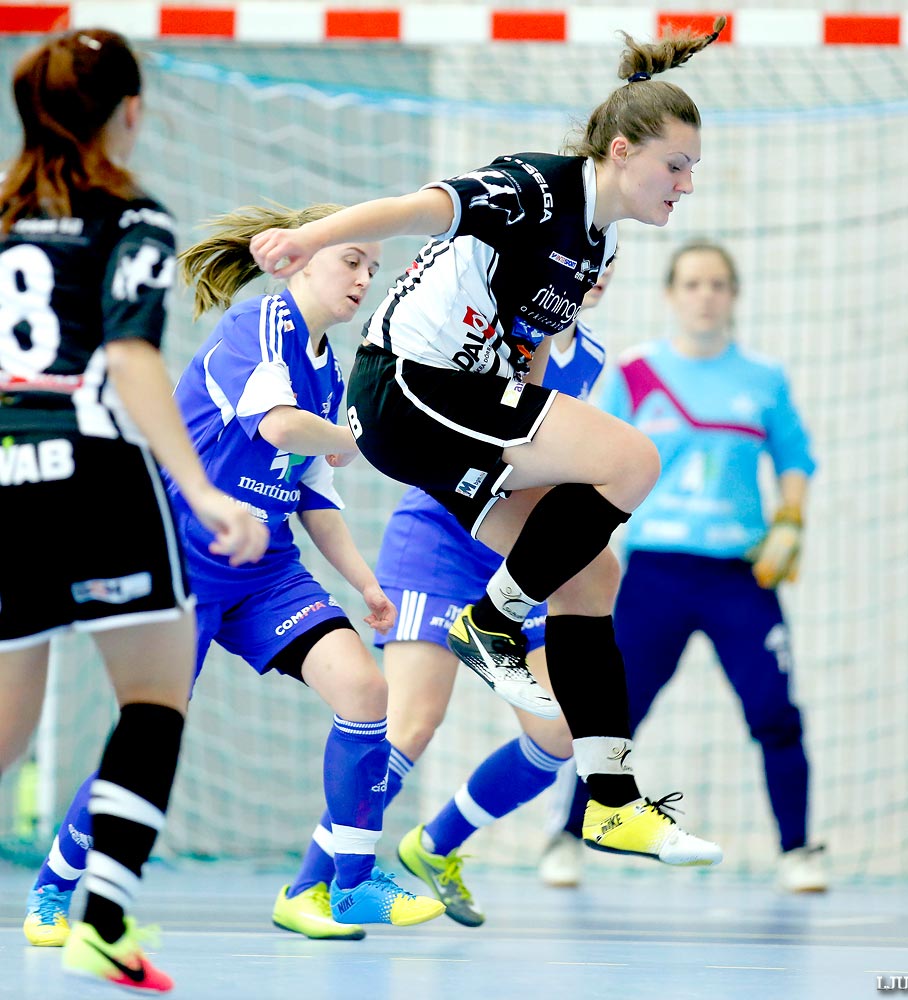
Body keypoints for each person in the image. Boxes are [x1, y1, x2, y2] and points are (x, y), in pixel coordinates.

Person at [251, 19, 729, 871]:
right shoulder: (534, 189)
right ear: (621, 151)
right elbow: (411, 209)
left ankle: (613, 803)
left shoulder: (598, 243)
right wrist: (310, 241)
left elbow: (530, 357)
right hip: (406, 387)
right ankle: (492, 621)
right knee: (635, 459)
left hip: (455, 409)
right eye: (677, 166)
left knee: (594, 574)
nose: (687, 185)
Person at [21, 203, 446, 952]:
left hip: (267, 567)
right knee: (148, 737)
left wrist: (365, 585)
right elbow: (282, 428)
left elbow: (311, 489)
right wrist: (353, 435)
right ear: (303, 259)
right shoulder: (254, 328)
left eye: (374, 268)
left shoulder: (327, 367)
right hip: (184, 560)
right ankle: (54, 887)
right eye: (352, 260)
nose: (364, 279)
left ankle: (347, 885)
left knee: (365, 688)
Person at [0, 28, 268, 992]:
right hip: (96, 475)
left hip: (7, 470)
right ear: (129, 110)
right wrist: (201, 493)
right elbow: (130, 355)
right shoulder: (131, 213)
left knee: (7, 731)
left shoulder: (1, 213)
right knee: (153, 699)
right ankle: (103, 916)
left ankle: (98, 913)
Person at [280, 266, 612, 933]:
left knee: (557, 734)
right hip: (442, 533)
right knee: (409, 725)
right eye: (579, 260)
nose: (590, 272)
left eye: (600, 262)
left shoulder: (596, 358)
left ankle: (433, 846)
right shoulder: (496, 333)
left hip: (521, 553)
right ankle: (308, 889)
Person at [538, 241, 829, 894]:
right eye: (693, 283)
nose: (706, 295)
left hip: (738, 577)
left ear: (733, 296)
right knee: (611, 712)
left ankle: (799, 851)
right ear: (672, 294)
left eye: (719, 284)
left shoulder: (763, 379)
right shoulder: (637, 371)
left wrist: (789, 521)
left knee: (773, 709)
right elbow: (592, 459)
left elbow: (796, 459)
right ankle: (566, 836)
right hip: (654, 576)